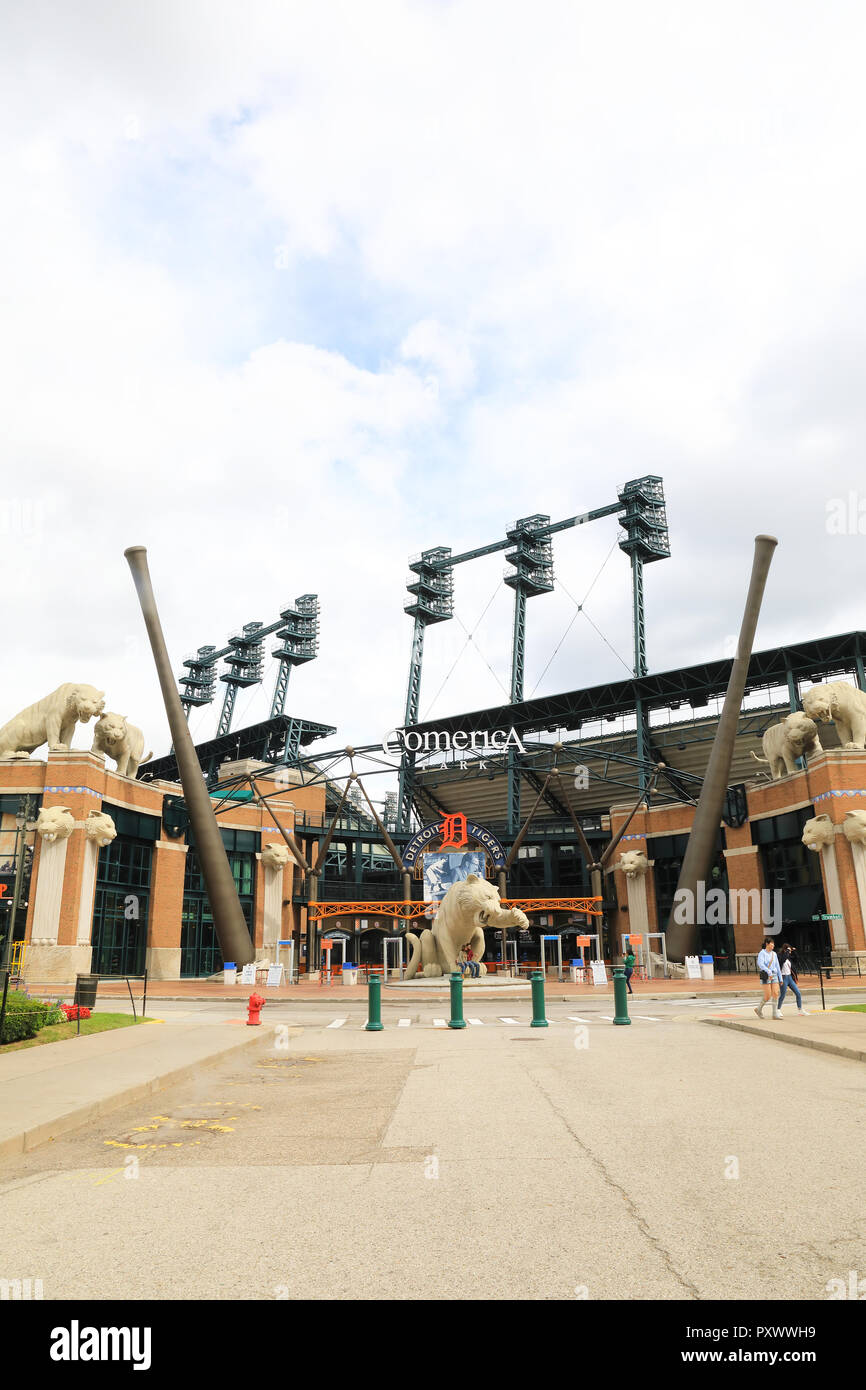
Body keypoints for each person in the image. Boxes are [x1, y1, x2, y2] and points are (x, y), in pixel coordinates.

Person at [755, 937, 782, 1018]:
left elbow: (777, 966)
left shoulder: (774, 954)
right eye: (771, 943)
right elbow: (761, 964)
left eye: (773, 944)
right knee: (767, 996)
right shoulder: (762, 953)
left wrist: (780, 978)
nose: (773, 945)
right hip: (766, 975)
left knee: (776, 993)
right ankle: (758, 1009)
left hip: (774, 975)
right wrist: (768, 971)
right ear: (767, 944)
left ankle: (774, 1014)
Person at [778, 944, 807, 1016]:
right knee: (783, 995)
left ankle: (800, 1010)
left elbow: (797, 959)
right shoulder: (780, 956)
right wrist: (787, 951)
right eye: (788, 950)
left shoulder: (789, 957)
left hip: (789, 978)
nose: (789, 952)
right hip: (783, 977)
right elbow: (782, 960)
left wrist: (794, 951)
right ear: (784, 950)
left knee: (798, 993)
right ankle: (778, 1010)